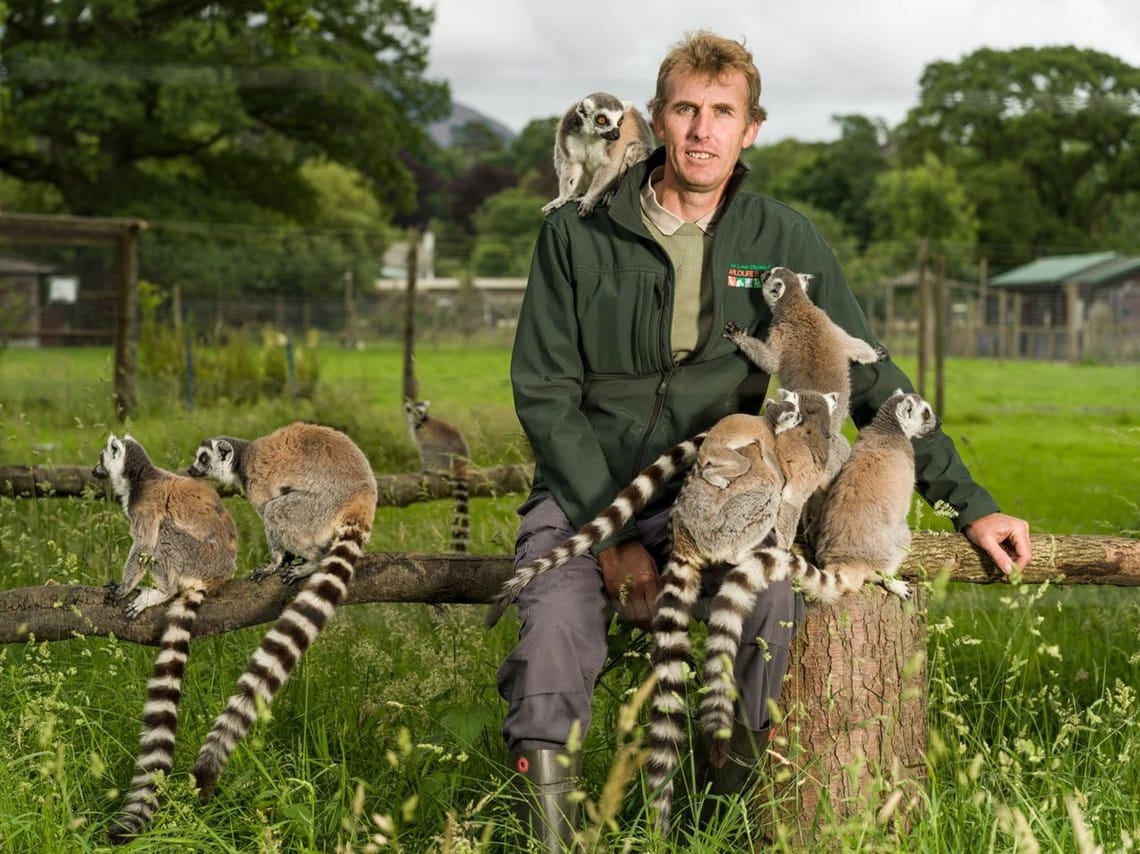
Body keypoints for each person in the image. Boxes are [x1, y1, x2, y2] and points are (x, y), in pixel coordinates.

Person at [500, 29, 1032, 848]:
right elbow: (544, 392)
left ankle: (716, 829)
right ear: (656, 118)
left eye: (723, 112)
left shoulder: (783, 240)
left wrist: (972, 504)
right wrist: (608, 539)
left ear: (752, 129)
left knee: (767, 604)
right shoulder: (578, 230)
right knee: (556, 627)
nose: (702, 130)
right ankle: (550, 835)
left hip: (727, 486)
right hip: (589, 489)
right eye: (685, 109)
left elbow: (875, 385)